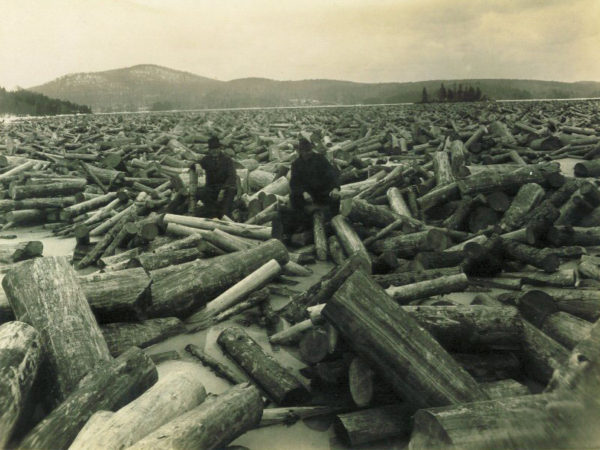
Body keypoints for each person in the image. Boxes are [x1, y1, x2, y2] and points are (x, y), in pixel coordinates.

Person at [273, 137, 340, 242]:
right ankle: (301, 226)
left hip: (321, 193)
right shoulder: (296, 164)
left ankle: (334, 224)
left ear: (312, 149)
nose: (307, 153)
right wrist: (303, 192)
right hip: (305, 195)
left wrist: (336, 188)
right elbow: (294, 184)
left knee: (336, 199)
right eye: (304, 151)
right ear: (300, 151)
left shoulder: (320, 159)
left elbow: (332, 174)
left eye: (309, 150)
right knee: (294, 198)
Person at [197, 136, 237, 218]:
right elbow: (194, 163)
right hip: (211, 188)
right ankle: (213, 213)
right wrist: (197, 165)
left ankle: (225, 216)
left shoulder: (227, 160)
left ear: (220, 149)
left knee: (231, 191)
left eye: (216, 149)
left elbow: (232, 176)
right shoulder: (206, 159)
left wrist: (223, 189)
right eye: (212, 149)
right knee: (201, 193)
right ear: (209, 150)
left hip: (225, 187)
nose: (214, 151)